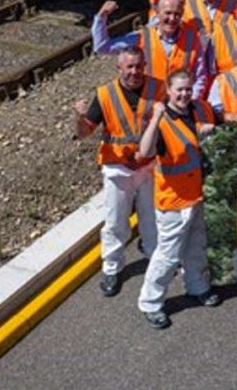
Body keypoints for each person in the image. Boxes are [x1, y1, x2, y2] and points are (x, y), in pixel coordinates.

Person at [136, 71, 221, 329]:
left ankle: (198, 287)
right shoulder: (161, 122)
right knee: (168, 256)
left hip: (195, 195)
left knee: (196, 247)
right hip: (173, 202)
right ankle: (150, 302)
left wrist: (207, 129)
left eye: (187, 89)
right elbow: (145, 151)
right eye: (179, 90)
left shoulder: (194, 111)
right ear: (168, 92)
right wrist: (156, 117)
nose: (184, 94)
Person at [74, 48, 161, 297]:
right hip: (118, 168)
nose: (134, 72)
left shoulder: (158, 88)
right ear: (119, 69)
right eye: (129, 67)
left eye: (138, 66)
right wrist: (79, 118)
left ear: (144, 66)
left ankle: (156, 258)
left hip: (148, 165)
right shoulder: (104, 95)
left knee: (151, 217)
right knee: (115, 222)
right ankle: (112, 267)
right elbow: (84, 133)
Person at [92, 0, 210, 99]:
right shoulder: (142, 37)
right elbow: (102, 47)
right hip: (149, 102)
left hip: (180, 104)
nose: (172, 18)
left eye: (177, 14)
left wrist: (190, 101)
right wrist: (101, 16)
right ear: (157, 13)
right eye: (168, 13)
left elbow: (200, 76)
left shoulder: (192, 39)